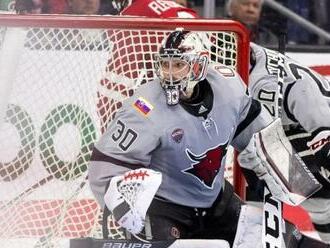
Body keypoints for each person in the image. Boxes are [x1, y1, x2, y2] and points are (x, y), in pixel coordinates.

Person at [88, 30, 329, 248]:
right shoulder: (144, 108)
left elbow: (259, 137)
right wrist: (122, 209)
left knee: (292, 242)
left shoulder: (229, 86)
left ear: (199, 65)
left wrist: (291, 178)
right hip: (164, 209)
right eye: (166, 65)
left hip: (215, 205)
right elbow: (103, 169)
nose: (170, 74)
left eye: (179, 64)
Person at [245, 42, 330, 243]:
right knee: (318, 202)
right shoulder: (254, 55)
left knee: (260, 153)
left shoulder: (266, 83)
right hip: (308, 127)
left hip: (316, 127)